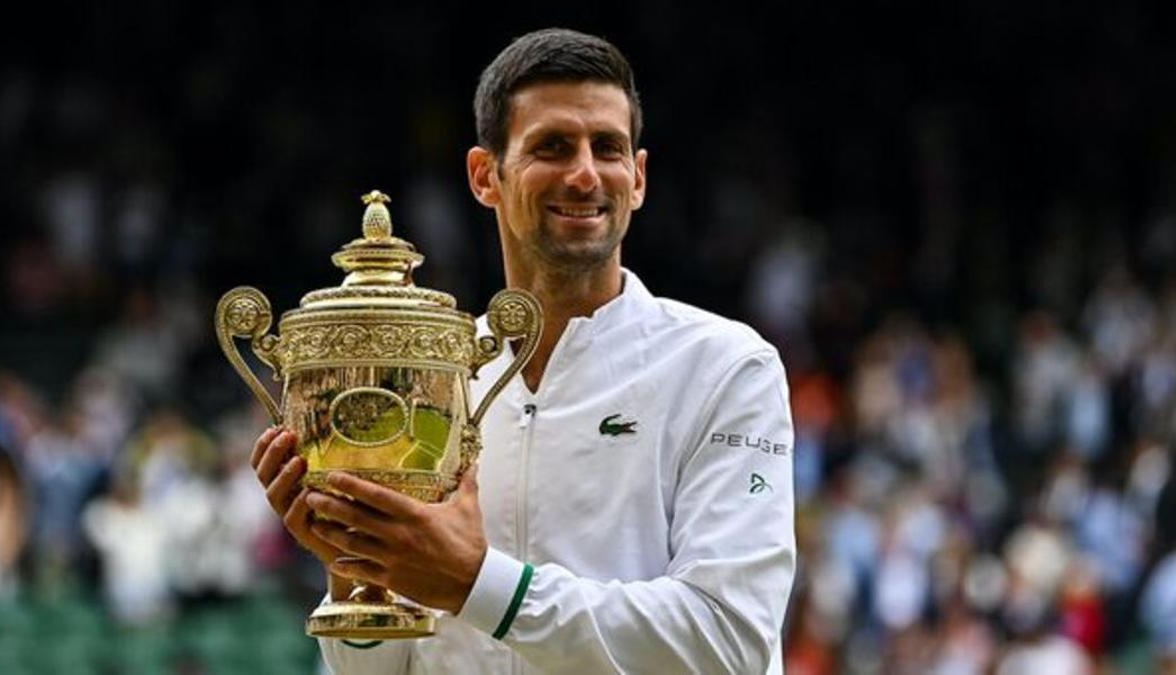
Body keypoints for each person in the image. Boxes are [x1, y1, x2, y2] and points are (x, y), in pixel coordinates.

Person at [250, 28, 796, 674]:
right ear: (486, 176)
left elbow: (727, 641)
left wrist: (477, 584)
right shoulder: (433, 375)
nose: (587, 172)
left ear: (639, 178)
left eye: (609, 148)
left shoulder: (726, 367)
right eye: (553, 146)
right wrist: (354, 571)